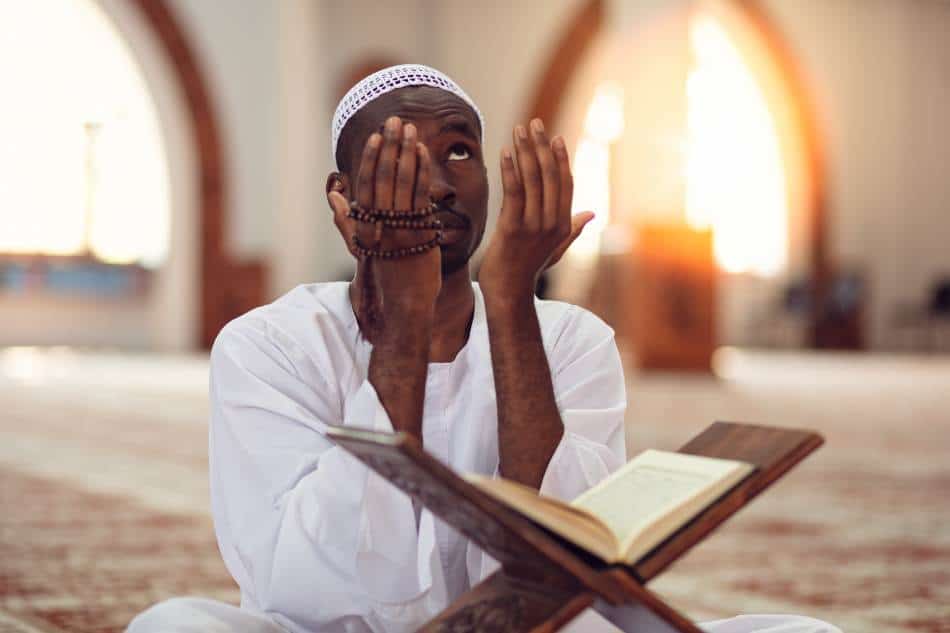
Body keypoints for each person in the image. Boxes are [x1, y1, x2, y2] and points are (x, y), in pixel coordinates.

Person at [128, 65, 839, 633]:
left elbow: (565, 559)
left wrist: (510, 299)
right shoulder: (270, 345)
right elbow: (303, 583)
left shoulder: (571, 338)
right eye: (401, 157)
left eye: (459, 152)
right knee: (170, 625)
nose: (439, 185)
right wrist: (404, 317)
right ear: (342, 199)